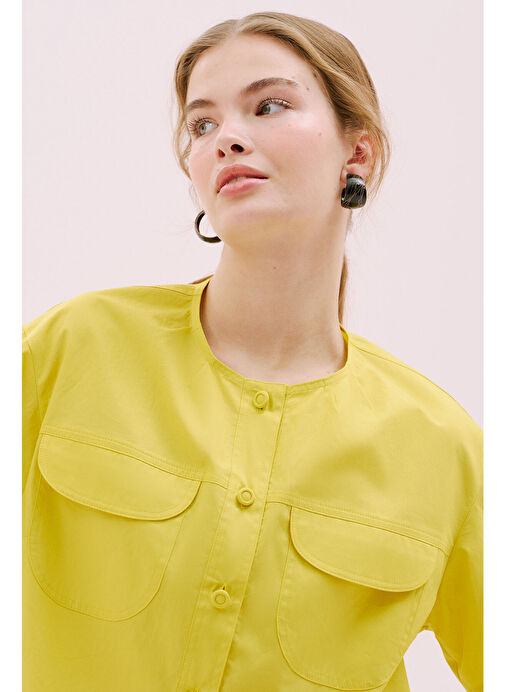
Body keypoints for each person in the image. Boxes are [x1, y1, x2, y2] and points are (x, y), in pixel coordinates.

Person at [22, 11, 482, 692]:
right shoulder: (72, 351)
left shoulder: (443, 449)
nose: (226, 139)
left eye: (268, 106)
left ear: (357, 155)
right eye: (202, 124)